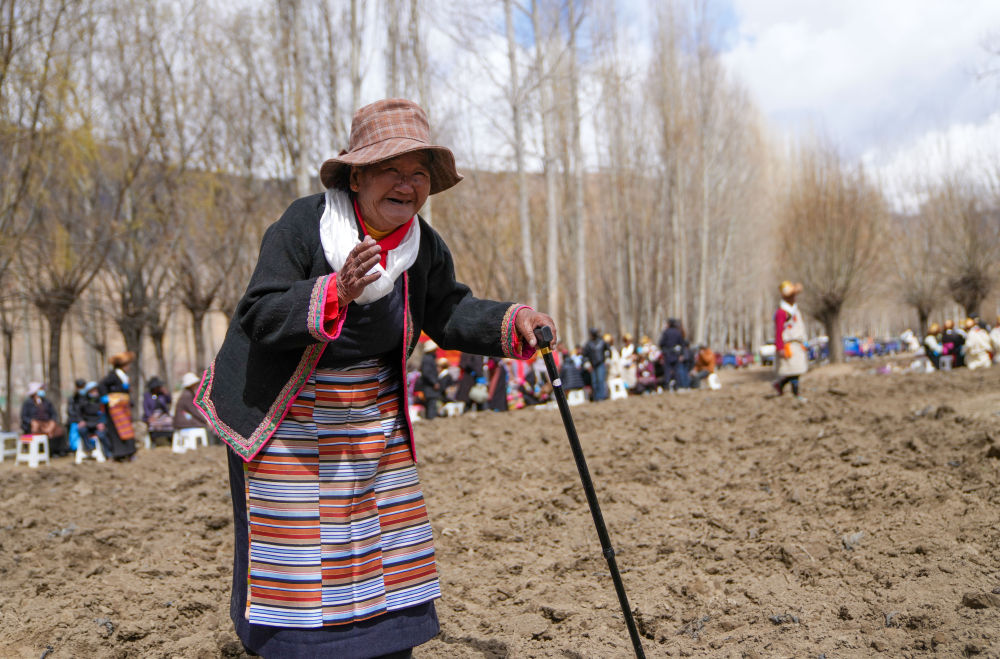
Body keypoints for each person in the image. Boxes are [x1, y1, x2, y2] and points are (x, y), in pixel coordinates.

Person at [192, 99, 556, 659]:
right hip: (285, 417)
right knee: (298, 558)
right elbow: (259, 312)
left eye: (418, 174)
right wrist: (334, 291)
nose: (406, 185)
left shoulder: (422, 245)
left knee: (381, 546)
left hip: (368, 416)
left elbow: (449, 312)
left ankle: (386, 648)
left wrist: (514, 321)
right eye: (392, 169)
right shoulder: (304, 225)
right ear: (358, 175)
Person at [99, 351, 138, 460]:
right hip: (114, 407)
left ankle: (129, 451)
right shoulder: (113, 375)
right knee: (117, 430)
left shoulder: (124, 377)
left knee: (127, 429)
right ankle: (119, 453)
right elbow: (102, 384)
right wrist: (104, 397)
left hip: (123, 407)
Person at [773, 281, 807, 400]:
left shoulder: (795, 310)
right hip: (788, 345)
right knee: (793, 371)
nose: (795, 297)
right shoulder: (781, 312)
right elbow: (778, 331)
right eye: (792, 295)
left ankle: (780, 385)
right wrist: (780, 347)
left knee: (796, 370)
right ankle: (795, 394)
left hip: (797, 344)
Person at [67, 381, 111, 457]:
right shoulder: (83, 401)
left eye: (95, 390)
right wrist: (80, 421)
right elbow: (78, 413)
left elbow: (104, 414)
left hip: (98, 423)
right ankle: (89, 448)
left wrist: (102, 423)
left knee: (102, 435)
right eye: (92, 391)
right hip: (88, 423)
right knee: (82, 430)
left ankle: (108, 453)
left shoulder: (101, 402)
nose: (95, 392)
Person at [20, 381, 66, 453]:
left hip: (47, 424)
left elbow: (53, 414)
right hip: (34, 426)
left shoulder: (47, 402)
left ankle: (55, 451)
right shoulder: (28, 403)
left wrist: (52, 423)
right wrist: (31, 422)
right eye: (40, 389)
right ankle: (37, 450)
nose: (42, 391)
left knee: (59, 431)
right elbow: (24, 417)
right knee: (36, 429)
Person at [143, 376, 174, 445]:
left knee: (169, 421)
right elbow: (146, 407)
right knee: (153, 424)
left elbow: (169, 401)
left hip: (163, 414)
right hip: (152, 414)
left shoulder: (162, 395)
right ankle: (153, 440)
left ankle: (169, 438)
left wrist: (167, 394)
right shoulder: (147, 395)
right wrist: (149, 416)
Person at [582, 327, 609, 400]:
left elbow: (607, 352)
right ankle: (596, 397)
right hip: (592, 365)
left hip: (601, 363)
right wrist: (587, 364)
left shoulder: (602, 342)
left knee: (601, 380)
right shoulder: (588, 344)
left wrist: (607, 360)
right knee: (594, 382)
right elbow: (585, 356)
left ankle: (602, 396)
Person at [658, 319, 684, 391]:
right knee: (676, 371)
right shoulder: (678, 332)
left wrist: (664, 351)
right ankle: (676, 386)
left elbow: (661, 343)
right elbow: (682, 344)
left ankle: (666, 386)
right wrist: (681, 354)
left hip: (668, 354)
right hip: (676, 354)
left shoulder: (666, 332)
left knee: (667, 370)